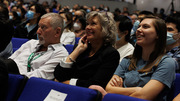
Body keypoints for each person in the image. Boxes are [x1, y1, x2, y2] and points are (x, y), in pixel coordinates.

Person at [89, 16, 176, 101]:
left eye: (145, 27)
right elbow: (109, 89)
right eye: (139, 26)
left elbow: (143, 97)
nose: (138, 30)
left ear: (158, 34)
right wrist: (136, 90)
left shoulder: (166, 63)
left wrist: (118, 92)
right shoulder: (128, 60)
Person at [54, 11, 120, 88]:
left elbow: (96, 83)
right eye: (87, 24)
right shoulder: (81, 48)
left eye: (93, 24)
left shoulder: (111, 54)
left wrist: (68, 82)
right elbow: (58, 75)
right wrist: (77, 50)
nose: (87, 27)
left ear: (105, 29)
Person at [6, 13, 69, 80]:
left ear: (57, 32)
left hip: (18, 82)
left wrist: (11, 76)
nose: (38, 31)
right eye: (38, 27)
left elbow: (38, 76)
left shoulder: (60, 53)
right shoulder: (31, 43)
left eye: (43, 27)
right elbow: (10, 60)